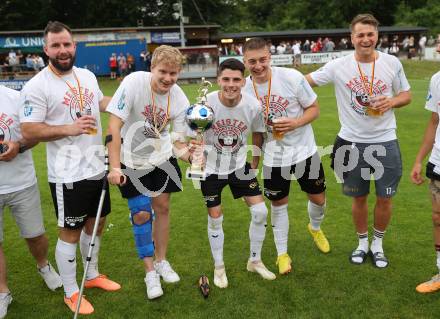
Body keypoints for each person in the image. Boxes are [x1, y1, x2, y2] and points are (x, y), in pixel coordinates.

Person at [19, 21, 120, 315]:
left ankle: (91, 276)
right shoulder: (37, 85)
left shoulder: (86, 75)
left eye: (66, 44)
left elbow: (99, 101)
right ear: (46, 49)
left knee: (96, 224)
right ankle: (70, 290)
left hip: (96, 167)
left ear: (74, 46)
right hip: (67, 174)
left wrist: (127, 101)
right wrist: (70, 128)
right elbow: (28, 130)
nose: (62, 50)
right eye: (56, 45)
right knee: (70, 231)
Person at [306, 14, 412, 268]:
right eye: (360, 34)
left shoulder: (391, 62)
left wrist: (392, 101)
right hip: (351, 143)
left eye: (370, 34)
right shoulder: (338, 66)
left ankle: (378, 244)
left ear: (377, 36)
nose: (366, 39)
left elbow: (406, 94)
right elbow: (304, 82)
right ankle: (362, 242)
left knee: (385, 198)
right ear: (352, 38)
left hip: (386, 140)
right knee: (359, 198)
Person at [106, 45, 191, 299]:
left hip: (162, 157)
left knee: (163, 208)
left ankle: (162, 260)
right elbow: (114, 123)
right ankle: (149, 272)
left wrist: (192, 156)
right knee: (142, 213)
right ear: (152, 68)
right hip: (131, 159)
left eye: (173, 73)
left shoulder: (179, 98)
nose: (168, 78)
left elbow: (177, 140)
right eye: (163, 71)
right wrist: (114, 166)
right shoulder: (133, 82)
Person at [242, 37, 330, 276]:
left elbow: (314, 109)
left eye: (262, 59)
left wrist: (295, 123)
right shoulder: (244, 89)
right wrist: (254, 163)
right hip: (274, 158)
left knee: (319, 199)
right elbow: (256, 131)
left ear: (269, 57)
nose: (258, 65)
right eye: (252, 61)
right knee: (278, 205)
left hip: (304, 151)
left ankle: (315, 227)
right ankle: (282, 254)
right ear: (245, 61)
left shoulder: (292, 77)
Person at [191, 58, 276, 288]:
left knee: (260, 212)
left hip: (239, 167)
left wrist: (255, 163)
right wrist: (194, 150)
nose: (231, 84)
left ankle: (255, 260)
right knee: (215, 218)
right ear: (218, 79)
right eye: (226, 79)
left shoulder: (252, 105)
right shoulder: (204, 103)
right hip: (211, 170)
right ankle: (219, 267)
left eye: (236, 79)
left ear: (243, 81)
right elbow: (192, 133)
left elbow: (258, 133)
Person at [0, 85, 62, 319]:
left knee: (35, 235)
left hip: (21, 183)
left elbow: (35, 134)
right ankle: (3, 292)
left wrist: (18, 146)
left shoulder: (16, 98)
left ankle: (43, 265)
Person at [410, 41, 440, 293]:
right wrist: (420, 158)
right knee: (438, 218)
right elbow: (434, 121)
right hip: (439, 162)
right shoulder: (436, 79)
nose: (438, 48)